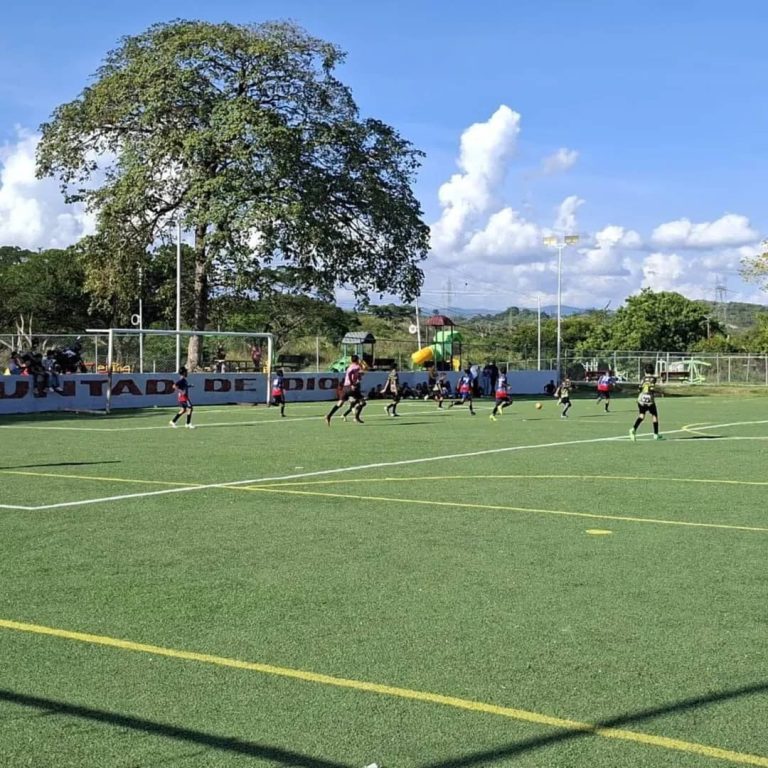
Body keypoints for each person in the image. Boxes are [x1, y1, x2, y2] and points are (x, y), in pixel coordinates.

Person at [325, 354, 366, 425]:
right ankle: (356, 417)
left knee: (340, 403)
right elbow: (356, 372)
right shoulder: (357, 367)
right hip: (351, 387)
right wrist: (352, 384)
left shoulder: (350, 366)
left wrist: (358, 376)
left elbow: (353, 374)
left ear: (351, 360)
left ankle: (329, 416)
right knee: (363, 402)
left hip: (345, 387)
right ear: (357, 360)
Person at [629, 367, 663, 441]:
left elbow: (639, 388)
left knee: (641, 415)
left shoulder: (643, 378)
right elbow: (652, 387)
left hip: (641, 399)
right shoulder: (653, 378)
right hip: (649, 399)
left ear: (645, 371)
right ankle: (656, 434)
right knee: (654, 416)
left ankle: (633, 429)